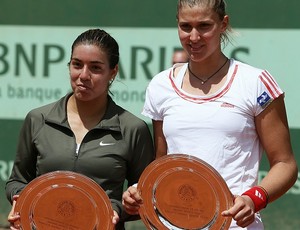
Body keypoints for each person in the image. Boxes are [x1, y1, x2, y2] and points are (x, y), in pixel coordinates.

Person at [122, 0, 298, 229]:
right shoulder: (161, 85)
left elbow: (285, 164)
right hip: (173, 223)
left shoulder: (255, 83)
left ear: (223, 24)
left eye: (204, 26)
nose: (194, 37)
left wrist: (254, 199)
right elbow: (162, 163)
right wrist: (139, 190)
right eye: (186, 27)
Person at [5, 28, 155, 230]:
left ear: (113, 72)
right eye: (77, 65)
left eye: (95, 68)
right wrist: (23, 199)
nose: (83, 75)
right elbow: (17, 180)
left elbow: (145, 198)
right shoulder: (37, 119)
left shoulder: (133, 129)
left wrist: (116, 209)